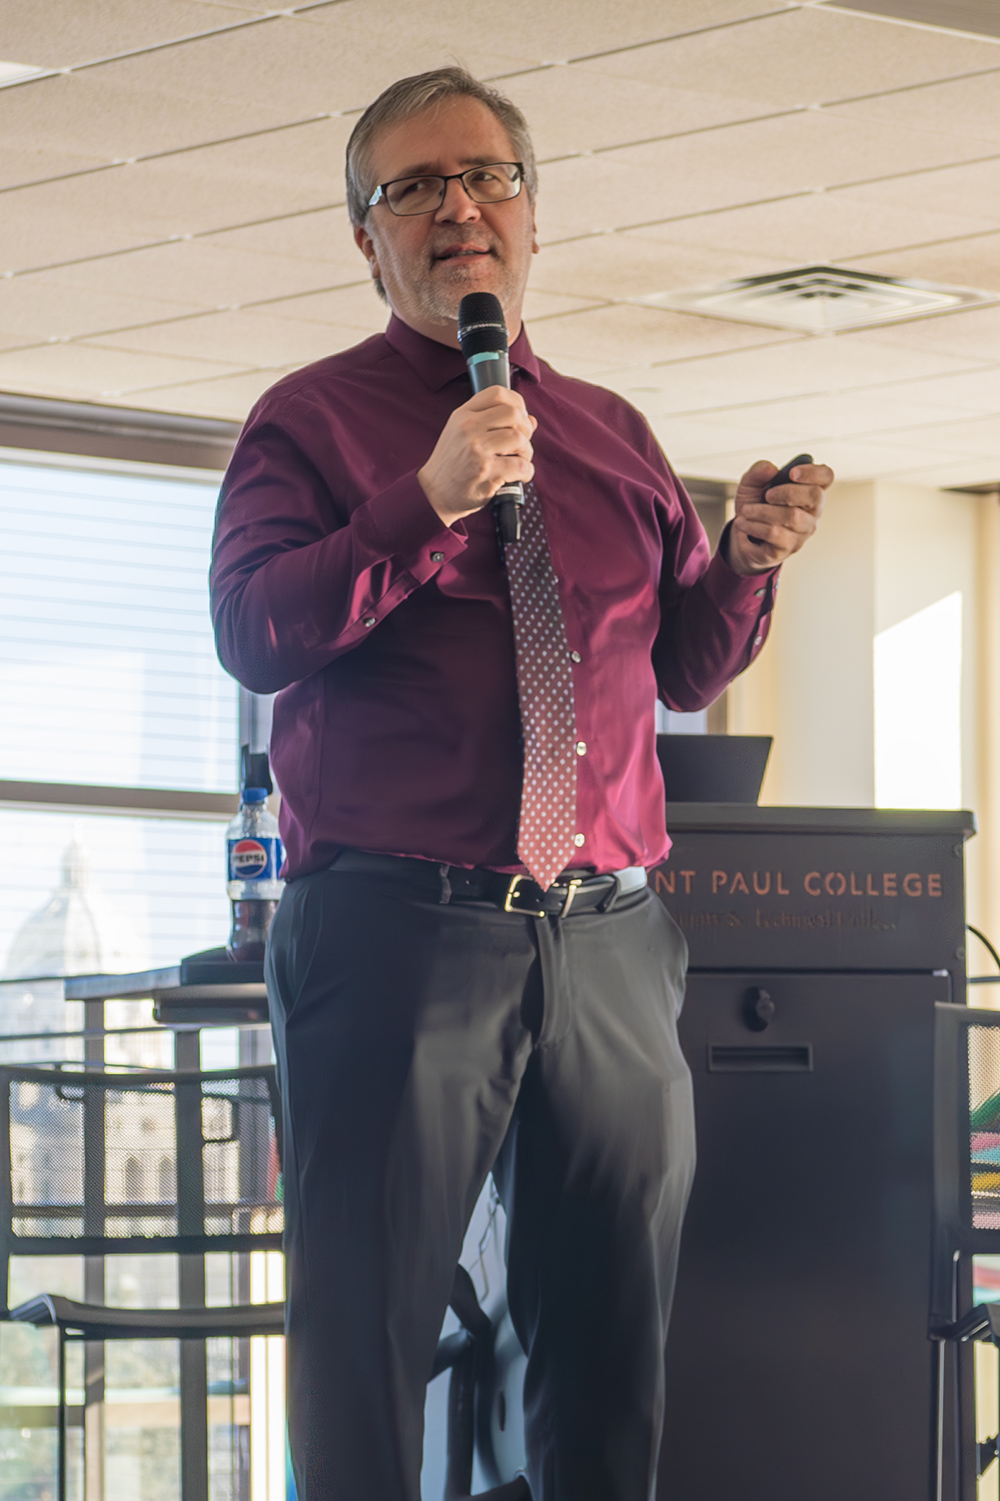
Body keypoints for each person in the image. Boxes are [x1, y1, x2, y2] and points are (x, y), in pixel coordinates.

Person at [210, 66, 830, 1501]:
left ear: (532, 214)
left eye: (484, 178)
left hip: (611, 936)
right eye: (412, 189)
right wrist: (421, 499)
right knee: (365, 1339)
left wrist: (742, 562)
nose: (457, 210)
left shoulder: (611, 433)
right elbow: (254, 627)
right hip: (395, 933)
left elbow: (676, 666)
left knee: (612, 1341)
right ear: (363, 238)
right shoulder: (306, 425)